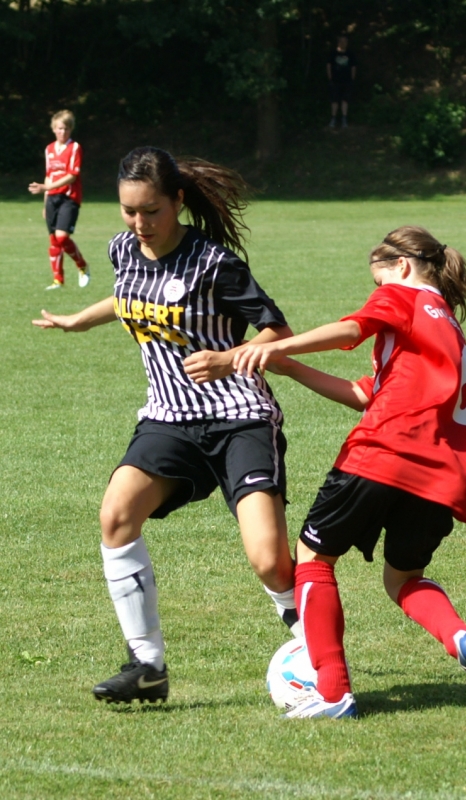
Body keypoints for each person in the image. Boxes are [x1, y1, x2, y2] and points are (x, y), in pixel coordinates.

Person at [32, 146, 301, 705]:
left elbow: (278, 332)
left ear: (177, 201)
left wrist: (230, 357)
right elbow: (129, 296)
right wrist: (80, 320)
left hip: (238, 417)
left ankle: (314, 641)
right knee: (116, 514)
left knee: (269, 560)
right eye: (129, 211)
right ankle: (147, 667)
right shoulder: (122, 250)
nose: (139, 223)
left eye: (150, 210)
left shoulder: (214, 263)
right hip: (169, 419)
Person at [234, 225, 466, 719]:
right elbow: (366, 393)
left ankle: (333, 692)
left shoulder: (403, 296)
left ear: (402, 267)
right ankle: (462, 638)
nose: (378, 293)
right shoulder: (444, 322)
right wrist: (291, 369)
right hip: (446, 472)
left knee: (313, 558)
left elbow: (351, 330)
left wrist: (279, 348)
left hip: (387, 450)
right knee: (403, 578)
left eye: (378, 282)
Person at [28, 109, 90, 291]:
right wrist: (45, 201)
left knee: (62, 237)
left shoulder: (75, 148)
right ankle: (58, 280)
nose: (63, 132)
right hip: (52, 199)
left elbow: (72, 176)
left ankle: (82, 265)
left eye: (66, 129)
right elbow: (49, 175)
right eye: (60, 128)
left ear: (71, 130)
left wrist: (47, 188)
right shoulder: (49, 149)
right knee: (53, 241)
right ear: (54, 129)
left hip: (69, 198)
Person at [326, 35, 356, 129]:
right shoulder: (333, 53)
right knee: (334, 100)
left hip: (347, 81)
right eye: (341, 41)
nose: (343, 43)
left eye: (345, 42)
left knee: (345, 100)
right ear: (338, 42)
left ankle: (344, 118)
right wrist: (330, 78)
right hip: (335, 81)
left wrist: (352, 79)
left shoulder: (350, 54)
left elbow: (353, 67)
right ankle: (333, 118)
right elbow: (329, 66)